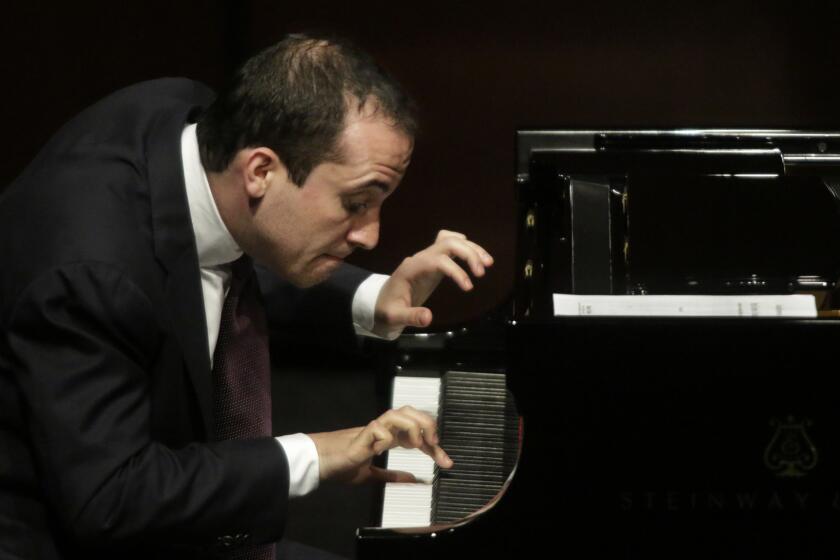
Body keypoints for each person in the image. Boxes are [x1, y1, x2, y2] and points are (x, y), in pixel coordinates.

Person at [0, 34, 493, 559]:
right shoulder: (91, 279)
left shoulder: (193, 123)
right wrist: (315, 454)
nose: (370, 236)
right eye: (355, 203)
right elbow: (111, 498)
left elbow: (227, 252)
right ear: (260, 171)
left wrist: (371, 297)